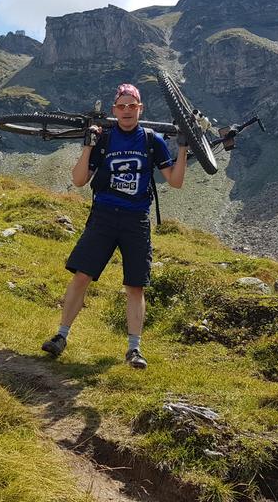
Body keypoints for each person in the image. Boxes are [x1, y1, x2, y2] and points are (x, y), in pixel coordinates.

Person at [41, 82, 188, 369]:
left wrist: (182, 147)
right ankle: (61, 336)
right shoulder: (105, 139)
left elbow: (176, 181)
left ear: (140, 109)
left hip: (136, 220)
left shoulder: (151, 140)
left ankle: (134, 350)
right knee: (82, 276)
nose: (126, 111)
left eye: (132, 106)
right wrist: (87, 147)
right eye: (121, 106)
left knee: (135, 286)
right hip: (104, 215)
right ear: (114, 110)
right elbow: (80, 180)